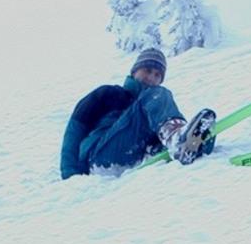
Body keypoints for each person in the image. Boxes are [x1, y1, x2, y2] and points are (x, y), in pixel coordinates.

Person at [60, 48, 215, 179]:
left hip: (132, 157)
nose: (151, 78)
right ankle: (178, 140)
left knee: (159, 132)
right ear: (134, 71)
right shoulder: (108, 93)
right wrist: (70, 175)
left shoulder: (154, 106)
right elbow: (73, 132)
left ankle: (197, 145)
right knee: (158, 96)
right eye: (147, 71)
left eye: (157, 75)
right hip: (98, 158)